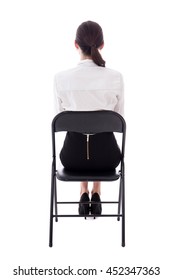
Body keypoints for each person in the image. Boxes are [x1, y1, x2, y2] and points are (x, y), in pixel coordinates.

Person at [54, 20, 124, 216]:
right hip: (108, 159)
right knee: (100, 132)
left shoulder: (61, 79)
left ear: (75, 44)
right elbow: (119, 121)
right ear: (102, 45)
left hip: (71, 159)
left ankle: (83, 190)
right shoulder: (115, 77)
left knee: (80, 129)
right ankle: (97, 190)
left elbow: (58, 120)